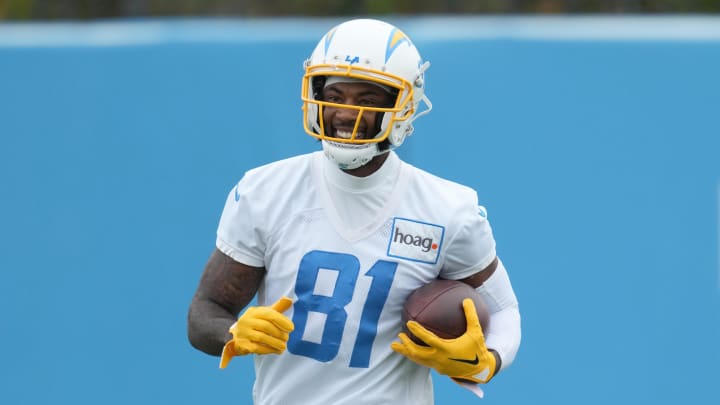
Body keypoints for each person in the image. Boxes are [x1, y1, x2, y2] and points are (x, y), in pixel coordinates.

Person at [187, 18, 521, 405]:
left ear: (404, 105)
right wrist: (233, 334)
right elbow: (206, 311)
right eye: (335, 94)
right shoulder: (265, 191)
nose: (345, 113)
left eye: (367, 99)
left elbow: (505, 309)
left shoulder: (448, 209)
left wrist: (483, 362)